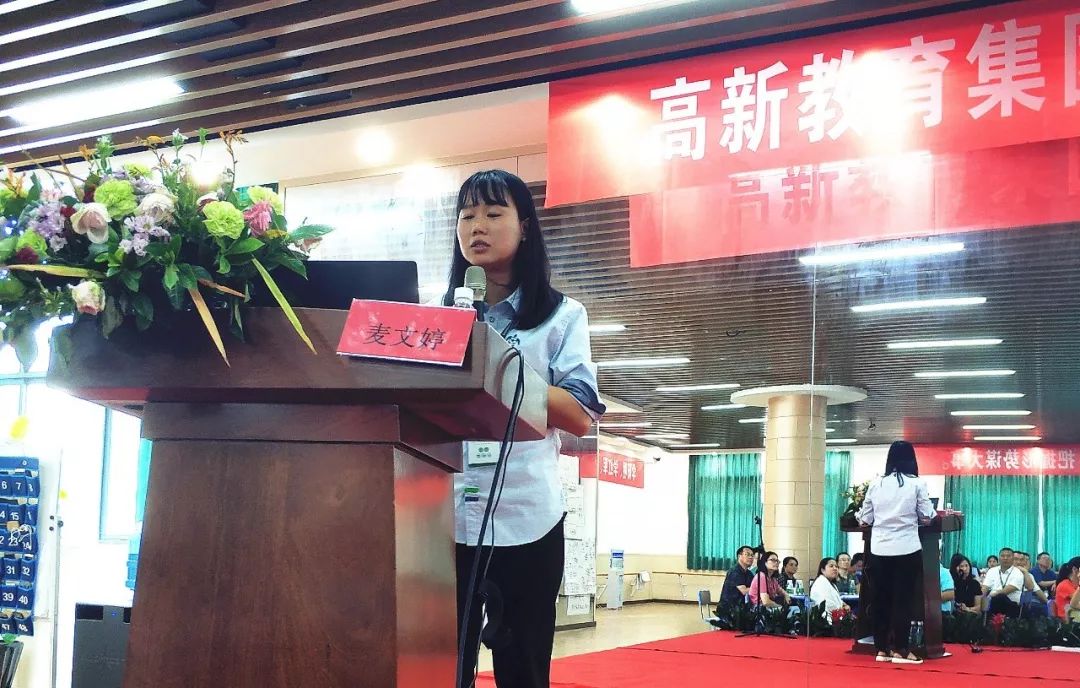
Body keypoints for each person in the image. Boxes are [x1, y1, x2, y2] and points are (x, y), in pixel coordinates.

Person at [449, 170, 606, 688]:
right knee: (439, 667)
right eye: (467, 215)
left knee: (523, 671)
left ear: (524, 227)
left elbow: (579, 413)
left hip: (527, 517)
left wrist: (497, 364)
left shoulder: (561, 316)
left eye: (493, 213)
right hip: (442, 518)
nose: (477, 226)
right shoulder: (436, 318)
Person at [857, 441, 935, 665]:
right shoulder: (917, 484)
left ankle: (882, 649)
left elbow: (865, 519)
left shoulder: (876, 484)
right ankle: (901, 649)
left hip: (879, 549)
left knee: (881, 599)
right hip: (907, 549)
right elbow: (926, 516)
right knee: (903, 600)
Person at [981, 547, 1025, 618]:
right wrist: (979, 599)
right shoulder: (992, 571)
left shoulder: (1018, 573)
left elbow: (1005, 591)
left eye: (1008, 556)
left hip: (1011, 605)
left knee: (1000, 597)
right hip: (993, 602)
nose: (1005, 558)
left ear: (1013, 559)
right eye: (1002, 556)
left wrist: (989, 597)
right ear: (999, 558)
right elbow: (984, 588)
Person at [1015, 552, 1049, 617]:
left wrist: (1049, 603)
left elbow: (1038, 591)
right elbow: (1040, 584)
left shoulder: (1029, 575)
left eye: (1022, 560)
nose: (1019, 562)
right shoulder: (1008, 573)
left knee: (1045, 608)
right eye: (1016, 559)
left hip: (1026, 604)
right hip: (1014, 603)